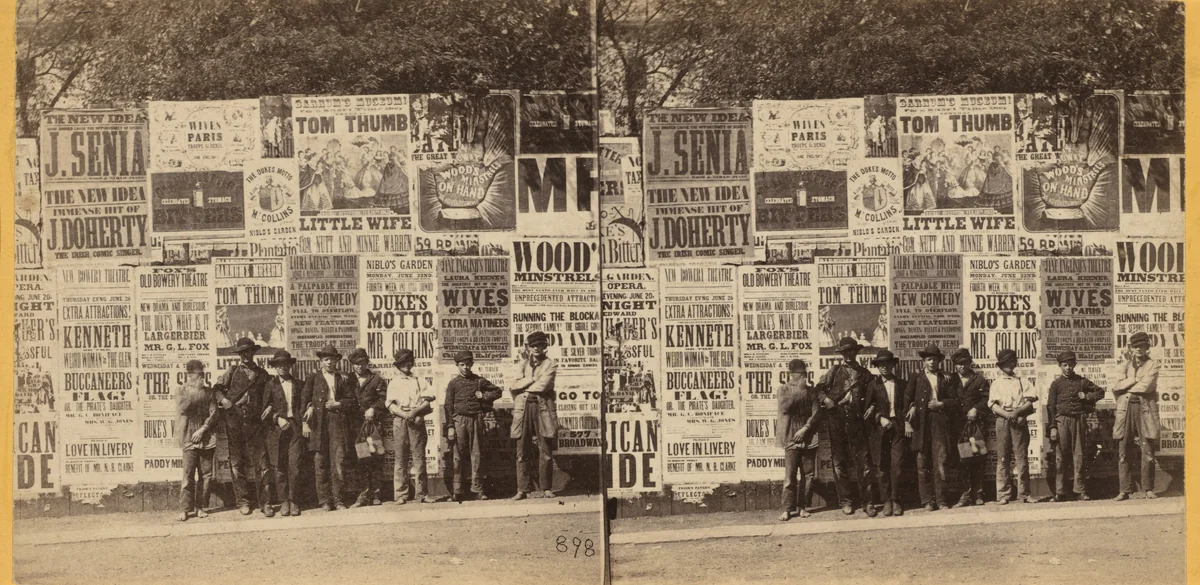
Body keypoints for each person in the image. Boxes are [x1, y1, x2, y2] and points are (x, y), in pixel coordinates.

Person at [817, 336, 876, 516]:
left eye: (851, 351)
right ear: (842, 354)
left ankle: (868, 502)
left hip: (858, 423)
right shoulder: (834, 372)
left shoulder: (865, 374)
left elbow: (875, 395)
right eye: (845, 352)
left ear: (856, 352)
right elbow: (818, 389)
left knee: (864, 463)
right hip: (837, 421)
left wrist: (872, 406)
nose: (849, 355)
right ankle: (846, 501)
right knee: (839, 463)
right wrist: (826, 400)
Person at [212, 337, 269, 515]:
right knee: (237, 464)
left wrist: (270, 407)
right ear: (239, 355)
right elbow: (216, 389)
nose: (246, 355)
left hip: (256, 425)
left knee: (262, 464)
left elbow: (273, 393)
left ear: (253, 352)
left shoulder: (262, 374)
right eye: (242, 352)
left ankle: (265, 503)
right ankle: (243, 502)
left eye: (248, 351)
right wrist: (225, 401)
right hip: (234, 424)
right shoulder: (232, 371)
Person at [905, 344, 960, 512]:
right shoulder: (916, 377)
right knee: (922, 462)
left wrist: (941, 403)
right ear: (924, 361)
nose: (932, 362)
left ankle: (942, 500)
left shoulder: (946, 377)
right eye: (929, 359)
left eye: (935, 359)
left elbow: (956, 401)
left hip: (940, 423)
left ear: (939, 361)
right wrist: (908, 417)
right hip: (921, 424)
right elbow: (907, 399)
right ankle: (927, 500)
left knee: (941, 461)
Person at [303, 344, 358, 511]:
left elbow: (352, 401)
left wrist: (338, 404)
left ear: (336, 361)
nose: (329, 362)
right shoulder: (313, 378)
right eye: (326, 359)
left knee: (338, 461)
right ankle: (325, 500)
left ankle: (338, 499)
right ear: (321, 361)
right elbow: (304, 401)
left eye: (332, 359)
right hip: (318, 424)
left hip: (337, 422)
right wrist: (308, 413)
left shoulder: (343, 377)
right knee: (320, 462)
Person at [444, 350, 503, 501]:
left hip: (476, 420)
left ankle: (477, 489)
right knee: (458, 456)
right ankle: (457, 490)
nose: (465, 367)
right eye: (462, 365)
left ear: (472, 364)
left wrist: (484, 396)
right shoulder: (453, 383)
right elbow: (448, 406)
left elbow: (497, 392)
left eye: (468, 364)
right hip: (459, 421)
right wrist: (450, 426)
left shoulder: (479, 381)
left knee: (476, 454)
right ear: (457, 366)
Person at [1047, 350, 1105, 502]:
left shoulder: (1081, 381)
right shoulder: (1056, 384)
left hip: (1078, 421)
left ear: (1074, 365)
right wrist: (1052, 427)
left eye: (1070, 365)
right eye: (1065, 365)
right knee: (1060, 457)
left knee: (1078, 456)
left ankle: (1080, 490)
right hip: (1062, 421)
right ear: (1060, 366)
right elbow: (1051, 407)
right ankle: (1060, 492)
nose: (1068, 368)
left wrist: (1087, 397)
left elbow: (1100, 392)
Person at [510, 331, 560, 500]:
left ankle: (546, 488)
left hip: (543, 408)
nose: (536, 348)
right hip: (523, 408)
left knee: (545, 448)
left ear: (545, 347)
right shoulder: (522, 364)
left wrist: (524, 384)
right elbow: (513, 385)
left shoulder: (550, 364)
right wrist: (531, 379)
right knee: (521, 449)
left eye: (540, 345)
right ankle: (522, 489)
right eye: (533, 346)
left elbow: (543, 386)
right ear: (528, 348)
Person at [1112, 332, 1161, 501]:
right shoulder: (1125, 365)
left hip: (1145, 409)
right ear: (1130, 348)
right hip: (1126, 409)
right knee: (1123, 449)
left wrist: (1127, 385)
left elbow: (1147, 386)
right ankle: (1124, 489)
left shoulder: (1153, 364)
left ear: (1147, 347)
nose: (1139, 349)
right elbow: (1116, 386)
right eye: (1135, 346)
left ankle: (1148, 488)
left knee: (1147, 449)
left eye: (1142, 346)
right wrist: (1133, 379)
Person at [387, 348, 437, 504]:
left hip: (416, 419)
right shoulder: (394, 383)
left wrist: (415, 411)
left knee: (419, 457)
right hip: (400, 420)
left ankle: (422, 493)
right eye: (403, 363)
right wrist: (404, 414)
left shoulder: (419, 380)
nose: (407, 366)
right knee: (401, 458)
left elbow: (428, 399)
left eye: (409, 362)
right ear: (398, 365)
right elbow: (390, 405)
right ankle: (401, 494)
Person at [776, 359, 822, 521]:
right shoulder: (783, 390)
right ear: (792, 375)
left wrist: (805, 428)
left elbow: (816, 413)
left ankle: (803, 507)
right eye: (800, 374)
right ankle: (787, 509)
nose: (803, 377)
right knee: (790, 476)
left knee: (808, 475)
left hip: (809, 437)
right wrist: (798, 390)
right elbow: (785, 408)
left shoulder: (812, 391)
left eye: (804, 373)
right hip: (790, 438)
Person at [990, 348, 1037, 505]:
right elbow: (993, 405)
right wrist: (1007, 414)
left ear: (1015, 363)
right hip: (1003, 420)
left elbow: (1030, 400)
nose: (1009, 365)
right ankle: (1003, 494)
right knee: (1003, 458)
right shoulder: (996, 383)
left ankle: (1025, 494)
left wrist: (1017, 412)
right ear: (1000, 366)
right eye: (1005, 363)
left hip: (1018, 419)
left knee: (1021, 458)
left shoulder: (1022, 381)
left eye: (1011, 362)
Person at [866, 349, 909, 517]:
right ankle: (886, 502)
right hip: (880, 431)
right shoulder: (873, 385)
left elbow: (910, 402)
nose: (884, 367)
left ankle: (896, 499)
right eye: (880, 365)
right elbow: (866, 410)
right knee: (882, 468)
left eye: (887, 364)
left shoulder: (902, 384)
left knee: (897, 466)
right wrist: (879, 418)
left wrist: (910, 410)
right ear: (877, 367)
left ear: (892, 365)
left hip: (898, 428)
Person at [263, 350, 305, 517]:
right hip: (277, 430)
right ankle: (284, 501)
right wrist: (277, 418)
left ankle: (294, 500)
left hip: (295, 427)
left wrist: (308, 409)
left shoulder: (299, 384)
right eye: (278, 365)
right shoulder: (270, 385)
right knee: (279, 467)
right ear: (275, 367)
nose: (282, 367)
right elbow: (263, 411)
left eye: (285, 364)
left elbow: (306, 403)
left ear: (290, 366)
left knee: (294, 465)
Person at [177, 360, 218, 522]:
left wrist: (203, 429)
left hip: (207, 438)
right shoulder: (181, 390)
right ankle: (185, 509)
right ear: (189, 375)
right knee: (188, 475)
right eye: (198, 374)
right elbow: (184, 407)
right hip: (188, 438)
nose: (201, 377)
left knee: (206, 475)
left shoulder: (209, 392)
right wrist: (195, 390)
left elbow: (214, 413)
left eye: (202, 374)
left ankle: (200, 507)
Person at [347, 348, 387, 507]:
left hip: (373, 426)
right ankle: (363, 494)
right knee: (361, 460)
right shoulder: (348, 380)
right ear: (352, 365)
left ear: (366, 363)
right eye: (356, 364)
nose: (359, 366)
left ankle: (376, 494)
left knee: (376, 458)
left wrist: (374, 409)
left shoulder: (376, 379)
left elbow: (385, 399)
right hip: (356, 427)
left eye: (362, 363)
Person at [950, 348, 990, 507]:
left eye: (964, 363)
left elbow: (987, 399)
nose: (962, 367)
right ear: (955, 366)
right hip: (958, 427)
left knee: (978, 459)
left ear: (969, 363)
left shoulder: (979, 380)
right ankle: (965, 494)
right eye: (958, 364)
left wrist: (976, 409)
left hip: (976, 427)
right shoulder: (950, 380)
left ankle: (978, 494)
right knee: (962, 461)